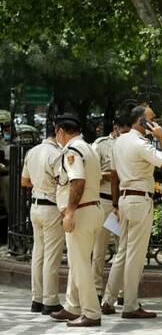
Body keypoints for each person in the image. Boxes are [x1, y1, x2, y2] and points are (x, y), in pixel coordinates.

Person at [100, 106, 162, 318]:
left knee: (123, 252)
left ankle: (108, 300)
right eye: (152, 119)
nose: (155, 122)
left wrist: (115, 203)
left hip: (124, 200)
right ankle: (131, 305)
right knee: (135, 254)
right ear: (141, 121)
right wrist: (161, 138)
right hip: (139, 200)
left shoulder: (119, 141)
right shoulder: (139, 143)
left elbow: (114, 176)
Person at [49, 114, 103, 327]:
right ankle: (73, 306)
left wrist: (70, 212)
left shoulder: (72, 151)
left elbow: (77, 181)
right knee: (77, 261)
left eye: (56, 133)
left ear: (60, 131)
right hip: (91, 210)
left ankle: (91, 313)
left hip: (81, 212)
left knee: (80, 265)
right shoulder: (88, 147)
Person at [20, 123, 64, 315]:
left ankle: (36, 299)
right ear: (57, 133)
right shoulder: (56, 154)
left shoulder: (32, 152)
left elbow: (24, 182)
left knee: (38, 254)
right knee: (51, 256)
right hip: (51, 206)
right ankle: (50, 301)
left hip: (36, 206)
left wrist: (39, 184)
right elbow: (62, 181)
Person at [91, 115, 130, 303]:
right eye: (123, 130)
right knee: (99, 250)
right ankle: (97, 290)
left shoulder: (131, 144)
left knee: (123, 248)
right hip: (105, 201)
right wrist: (108, 175)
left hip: (124, 201)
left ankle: (121, 291)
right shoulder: (101, 145)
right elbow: (90, 172)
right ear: (115, 128)